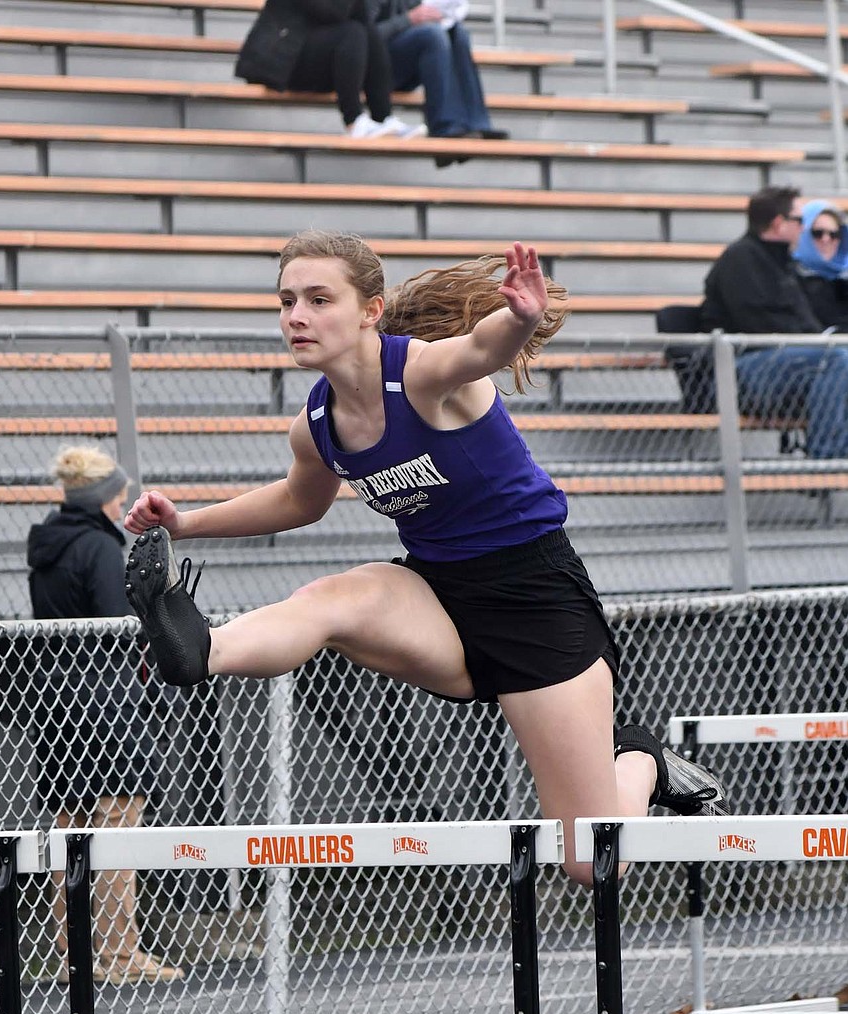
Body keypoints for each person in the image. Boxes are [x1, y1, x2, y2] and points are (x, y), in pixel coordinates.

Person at [121, 231, 726, 889]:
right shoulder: (317, 421)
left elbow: (476, 350)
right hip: (436, 594)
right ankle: (202, 651)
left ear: (369, 311)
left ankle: (641, 758)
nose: (297, 316)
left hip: (534, 600)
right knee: (334, 598)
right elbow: (300, 499)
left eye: (319, 299)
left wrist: (518, 318)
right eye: (287, 300)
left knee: (590, 862)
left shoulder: (420, 374)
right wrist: (186, 524)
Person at [28, 443, 183, 986]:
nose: (122, 505)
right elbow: (117, 627)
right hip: (106, 701)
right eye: (118, 496)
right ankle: (120, 955)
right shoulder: (97, 547)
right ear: (98, 497)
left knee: (69, 826)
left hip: (56, 701)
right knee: (118, 819)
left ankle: (76, 955)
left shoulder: (48, 546)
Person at [701, 183, 848, 460]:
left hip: (788, 364)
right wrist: (817, 341)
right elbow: (760, 325)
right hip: (747, 369)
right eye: (800, 221)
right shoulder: (741, 258)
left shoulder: (783, 264)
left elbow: (805, 322)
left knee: (838, 357)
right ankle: (827, 461)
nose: (803, 228)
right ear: (779, 224)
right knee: (836, 359)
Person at [235, 0, 425, 138]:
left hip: (306, 56)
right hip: (278, 61)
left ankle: (383, 118)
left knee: (367, 30)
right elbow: (332, 11)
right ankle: (354, 121)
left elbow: (361, 16)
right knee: (352, 32)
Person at [372, 0, 509, 161]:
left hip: (404, 61)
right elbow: (363, 35)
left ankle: (476, 124)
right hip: (372, 70)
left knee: (457, 32)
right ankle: (444, 128)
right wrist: (409, 19)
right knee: (432, 34)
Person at [792, 199, 848, 331]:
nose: (826, 239)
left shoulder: (843, 280)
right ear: (802, 233)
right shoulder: (788, 277)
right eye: (818, 233)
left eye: (834, 234)